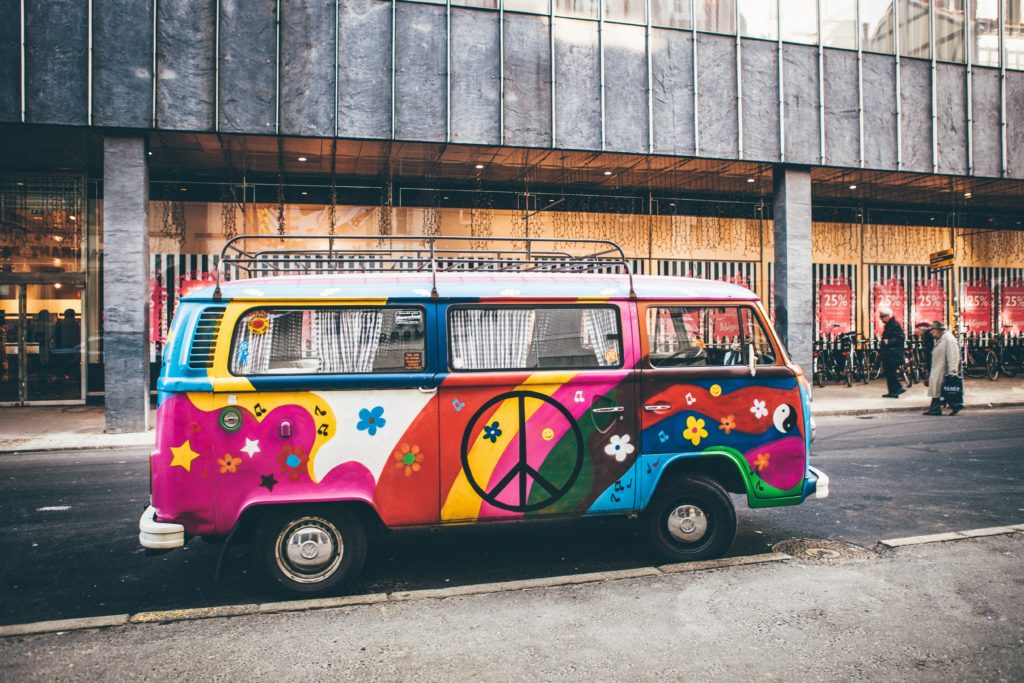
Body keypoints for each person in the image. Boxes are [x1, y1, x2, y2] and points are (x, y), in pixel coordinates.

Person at [923, 320, 962, 416]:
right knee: (939, 391)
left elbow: (953, 356)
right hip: (938, 369)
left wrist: (952, 372)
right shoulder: (941, 338)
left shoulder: (948, 339)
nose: (931, 332)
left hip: (944, 370)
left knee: (946, 390)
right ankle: (935, 409)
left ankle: (955, 405)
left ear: (939, 330)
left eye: (933, 330)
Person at [878, 305, 906, 398]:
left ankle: (899, 388)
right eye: (880, 316)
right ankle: (892, 392)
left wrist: (889, 341)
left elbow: (901, 337)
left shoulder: (894, 324)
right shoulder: (889, 325)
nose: (881, 319)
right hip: (889, 354)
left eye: (882, 316)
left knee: (890, 372)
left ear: (888, 316)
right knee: (889, 372)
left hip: (893, 354)